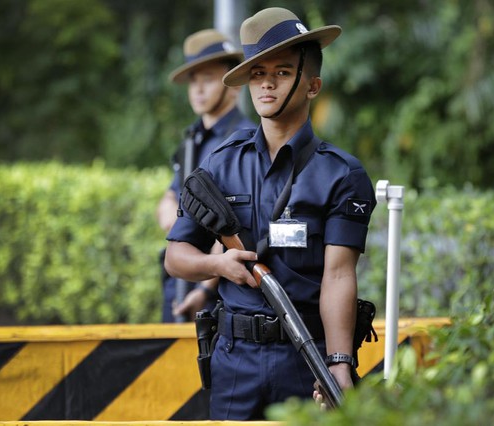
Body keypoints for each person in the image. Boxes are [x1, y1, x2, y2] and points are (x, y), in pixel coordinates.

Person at [164, 7, 377, 420]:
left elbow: (338, 276)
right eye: (258, 74)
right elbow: (176, 256)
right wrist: (217, 264)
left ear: (312, 85)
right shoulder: (221, 163)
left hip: (306, 357)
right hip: (234, 360)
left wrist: (339, 362)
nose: (266, 84)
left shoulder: (342, 174)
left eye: (281, 73)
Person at [158, 29, 256, 323]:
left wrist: (204, 288)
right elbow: (169, 199)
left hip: (216, 287)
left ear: (234, 86)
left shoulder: (244, 138)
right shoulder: (192, 139)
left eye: (209, 79)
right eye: (193, 81)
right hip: (180, 274)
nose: (198, 90)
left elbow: (234, 224)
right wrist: (183, 219)